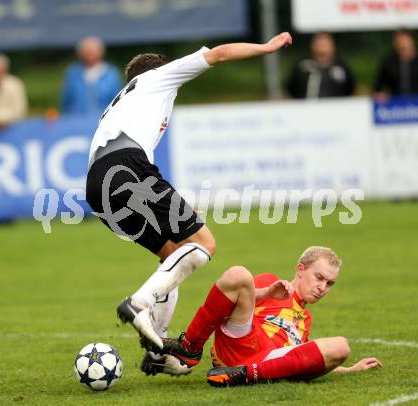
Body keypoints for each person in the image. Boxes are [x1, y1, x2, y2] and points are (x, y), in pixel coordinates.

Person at [85, 32, 293, 354]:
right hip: (126, 169)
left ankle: (158, 345)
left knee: (173, 255)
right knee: (204, 243)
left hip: (96, 187)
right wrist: (267, 47)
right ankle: (140, 303)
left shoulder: (123, 101)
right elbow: (219, 54)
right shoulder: (158, 77)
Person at [142, 246, 382, 386]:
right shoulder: (271, 283)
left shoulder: (305, 320)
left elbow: (299, 361)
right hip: (242, 341)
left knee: (341, 347)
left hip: (264, 361)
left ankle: (243, 375)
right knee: (238, 274)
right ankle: (190, 346)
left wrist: (350, 369)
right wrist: (268, 293)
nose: (323, 287)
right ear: (301, 269)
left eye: (330, 283)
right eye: (319, 277)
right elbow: (230, 297)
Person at [61, 36, 122, 115]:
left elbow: (118, 101)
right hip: (76, 121)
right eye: (87, 51)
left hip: (103, 121)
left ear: (101, 52)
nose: (90, 54)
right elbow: (66, 102)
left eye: (93, 51)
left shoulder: (111, 73)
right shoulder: (73, 73)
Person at [287, 32, 355, 99]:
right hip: (307, 108)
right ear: (312, 45)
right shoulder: (302, 68)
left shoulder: (342, 68)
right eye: (319, 44)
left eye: (325, 44)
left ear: (333, 46)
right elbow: (290, 89)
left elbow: (351, 89)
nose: (322, 49)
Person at [374, 29, 418, 97]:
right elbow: (380, 86)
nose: (402, 44)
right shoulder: (388, 62)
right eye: (399, 41)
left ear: (412, 40)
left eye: (405, 40)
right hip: (396, 104)